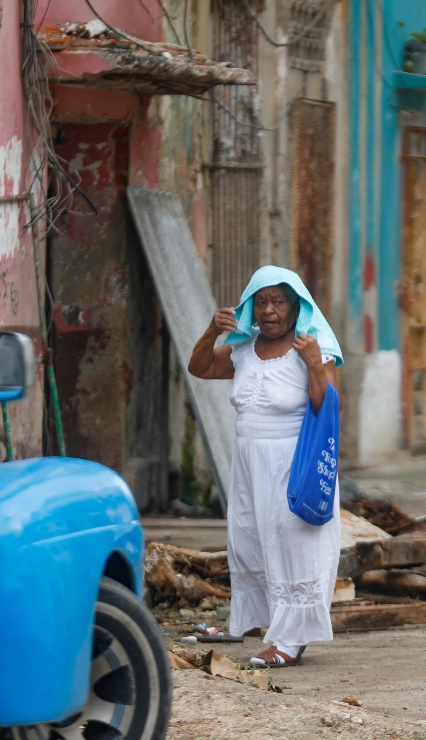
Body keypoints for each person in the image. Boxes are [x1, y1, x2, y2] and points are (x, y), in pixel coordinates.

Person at [188, 265, 342, 668]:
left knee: (294, 545)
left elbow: (327, 407)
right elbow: (199, 367)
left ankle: (291, 641)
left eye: (278, 301)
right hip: (249, 463)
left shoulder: (314, 346)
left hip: (293, 462)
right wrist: (211, 331)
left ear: (295, 307)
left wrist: (312, 365)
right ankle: (276, 625)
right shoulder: (243, 349)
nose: (269, 310)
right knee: (254, 541)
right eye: (260, 302)